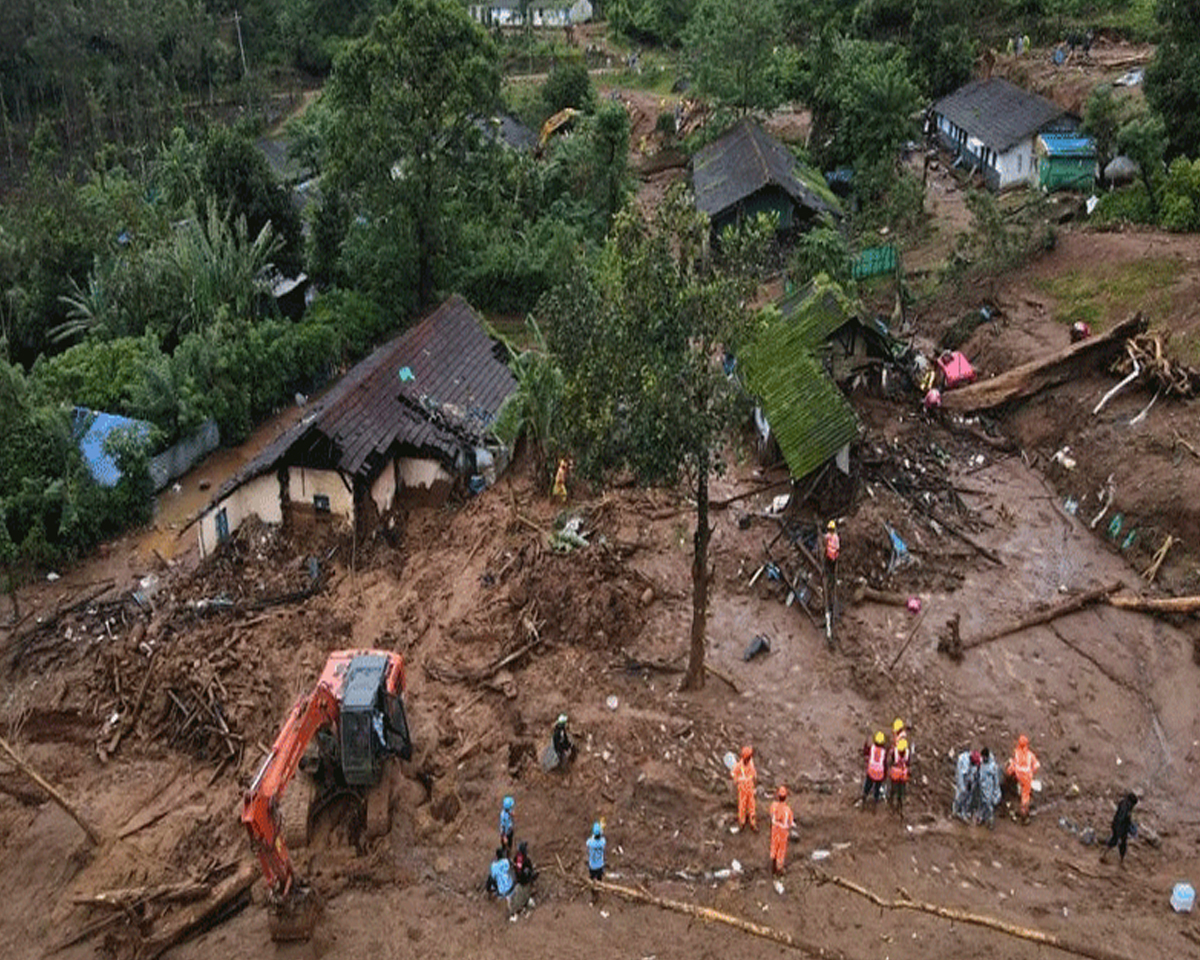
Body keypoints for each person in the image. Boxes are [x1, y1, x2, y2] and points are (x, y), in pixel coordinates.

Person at [1006, 734, 1041, 822]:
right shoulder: (1029, 755)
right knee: (1025, 796)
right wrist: (1032, 771)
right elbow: (1037, 765)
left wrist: (1009, 772)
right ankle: (1024, 815)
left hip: (1018, 775)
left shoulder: (1017, 753)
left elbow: (1012, 766)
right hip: (1027, 777)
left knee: (1019, 786)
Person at [1100, 792, 1139, 864]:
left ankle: (1105, 854)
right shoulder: (1126, 808)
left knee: (1114, 841)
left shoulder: (1123, 803)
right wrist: (1120, 831)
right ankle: (1121, 861)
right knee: (1122, 844)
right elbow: (1121, 819)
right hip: (1121, 828)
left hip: (1117, 826)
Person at [731, 745, 758, 832]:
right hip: (743, 788)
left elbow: (753, 775)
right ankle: (742, 822)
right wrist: (738, 780)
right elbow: (734, 775)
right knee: (742, 805)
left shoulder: (750, 764)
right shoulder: (739, 766)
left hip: (749, 787)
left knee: (751, 805)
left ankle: (752, 822)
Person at [769, 786, 795, 875]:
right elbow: (790, 822)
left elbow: (771, 814)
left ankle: (773, 862)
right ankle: (779, 867)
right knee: (781, 848)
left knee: (774, 845)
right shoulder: (788, 810)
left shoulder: (773, 805)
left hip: (775, 828)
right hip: (783, 831)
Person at [976, 748, 1001, 828]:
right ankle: (980, 818)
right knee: (981, 804)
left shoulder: (993, 766)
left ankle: (990, 821)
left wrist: (996, 791)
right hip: (981, 787)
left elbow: (996, 780)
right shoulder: (982, 763)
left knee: (988, 805)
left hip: (988, 788)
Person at [862, 731, 887, 809]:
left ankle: (865, 794)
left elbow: (865, 752)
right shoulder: (883, 752)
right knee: (877, 787)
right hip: (879, 774)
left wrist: (865, 745)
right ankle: (875, 799)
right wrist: (885, 775)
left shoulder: (872, 748)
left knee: (868, 783)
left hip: (871, 771)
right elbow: (885, 764)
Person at [954, 750, 980, 821]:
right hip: (962, 778)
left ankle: (964, 812)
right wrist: (962, 786)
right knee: (960, 794)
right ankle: (956, 812)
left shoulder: (974, 764)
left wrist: (971, 783)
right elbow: (961, 775)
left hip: (969, 779)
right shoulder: (964, 760)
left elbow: (974, 773)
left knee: (968, 796)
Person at [487, 847, 516, 913]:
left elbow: (491, 879)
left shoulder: (493, 866)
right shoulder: (506, 861)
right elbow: (513, 865)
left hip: (501, 892)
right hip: (511, 888)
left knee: (493, 878)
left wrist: (489, 889)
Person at [511, 840, 537, 912]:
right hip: (524, 882)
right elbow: (529, 870)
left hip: (518, 880)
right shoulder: (526, 860)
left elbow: (515, 867)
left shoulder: (517, 858)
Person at [888, 738, 910, 816]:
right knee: (894, 790)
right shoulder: (895, 752)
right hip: (897, 774)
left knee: (900, 792)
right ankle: (893, 804)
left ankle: (898, 806)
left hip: (901, 775)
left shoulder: (906, 753)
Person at [586, 821, 606, 888]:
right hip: (600, 865)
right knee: (599, 879)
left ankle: (593, 888)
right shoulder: (602, 842)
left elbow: (588, 842)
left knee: (592, 879)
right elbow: (602, 839)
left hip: (592, 866)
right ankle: (599, 886)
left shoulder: (590, 843)